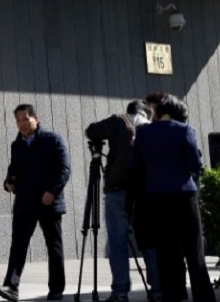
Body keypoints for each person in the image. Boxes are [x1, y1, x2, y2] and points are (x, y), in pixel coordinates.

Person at [132, 95, 217, 302]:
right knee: (194, 252)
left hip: (156, 198)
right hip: (183, 196)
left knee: (166, 254)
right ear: (175, 113)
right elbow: (195, 165)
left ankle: (173, 295)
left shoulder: (143, 133)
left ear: (161, 111)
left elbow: (136, 167)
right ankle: (203, 297)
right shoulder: (185, 130)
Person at [0, 104, 71, 302]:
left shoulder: (53, 140)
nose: (22, 124)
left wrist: (52, 191)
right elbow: (14, 169)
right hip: (24, 203)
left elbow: (64, 169)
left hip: (48, 203)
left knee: (54, 248)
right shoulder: (16, 145)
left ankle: (56, 289)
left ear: (36, 118)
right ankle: (11, 286)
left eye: (25, 119)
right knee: (18, 246)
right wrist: (8, 182)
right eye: (18, 120)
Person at [85, 100, 158, 302]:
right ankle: (158, 289)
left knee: (117, 244)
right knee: (149, 242)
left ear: (129, 111)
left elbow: (91, 131)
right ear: (147, 113)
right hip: (144, 192)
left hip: (117, 189)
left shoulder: (118, 121)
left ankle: (120, 291)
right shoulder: (152, 128)